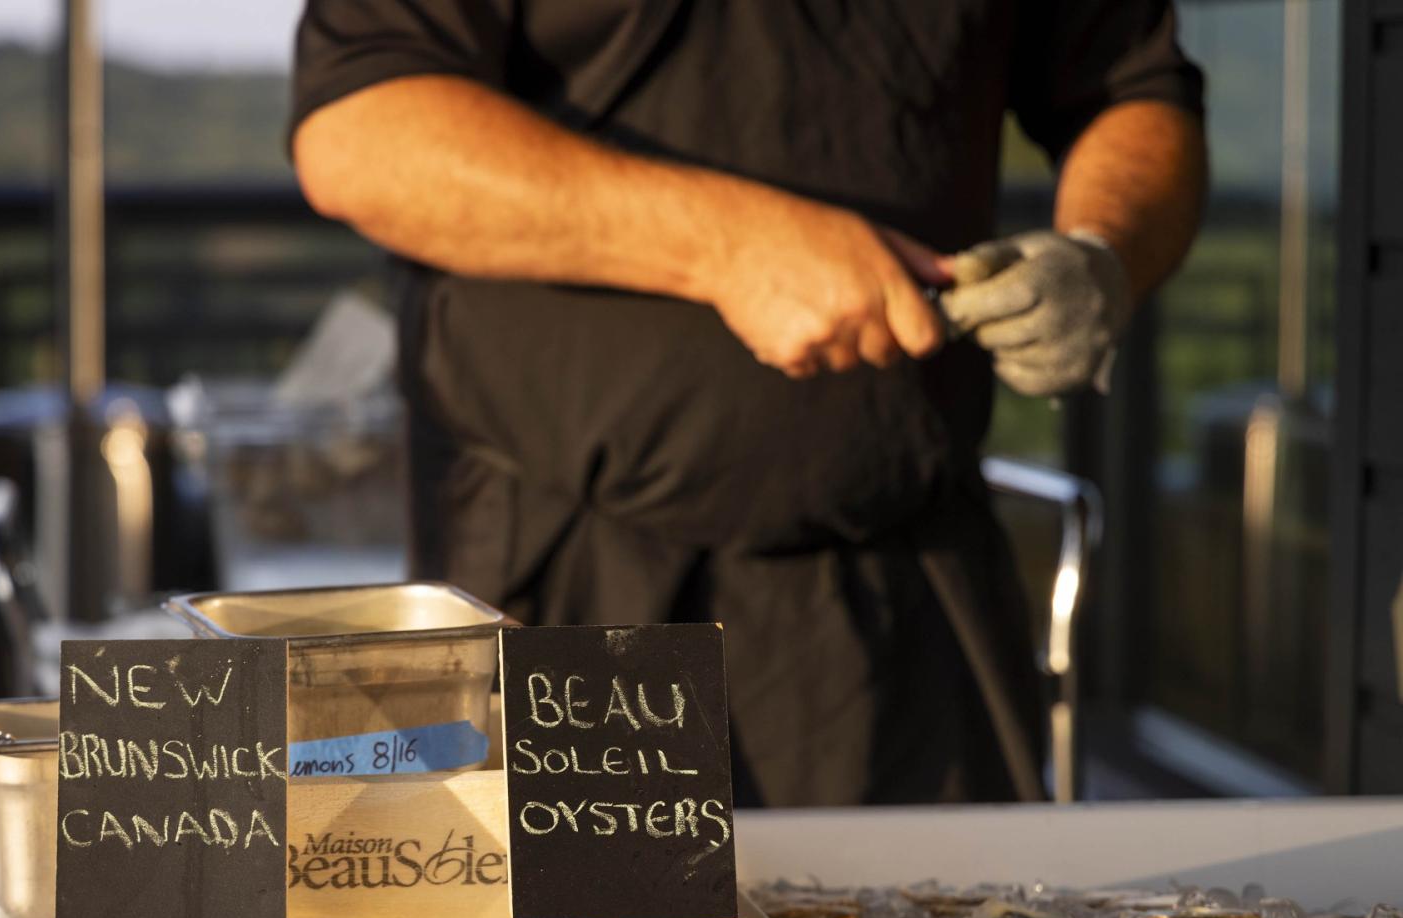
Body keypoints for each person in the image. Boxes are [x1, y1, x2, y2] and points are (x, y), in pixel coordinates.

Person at [289, 1, 1207, 806]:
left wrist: (1104, 254)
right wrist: (728, 245)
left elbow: (1133, 89)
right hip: (547, 587)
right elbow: (362, 134)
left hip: (907, 601)